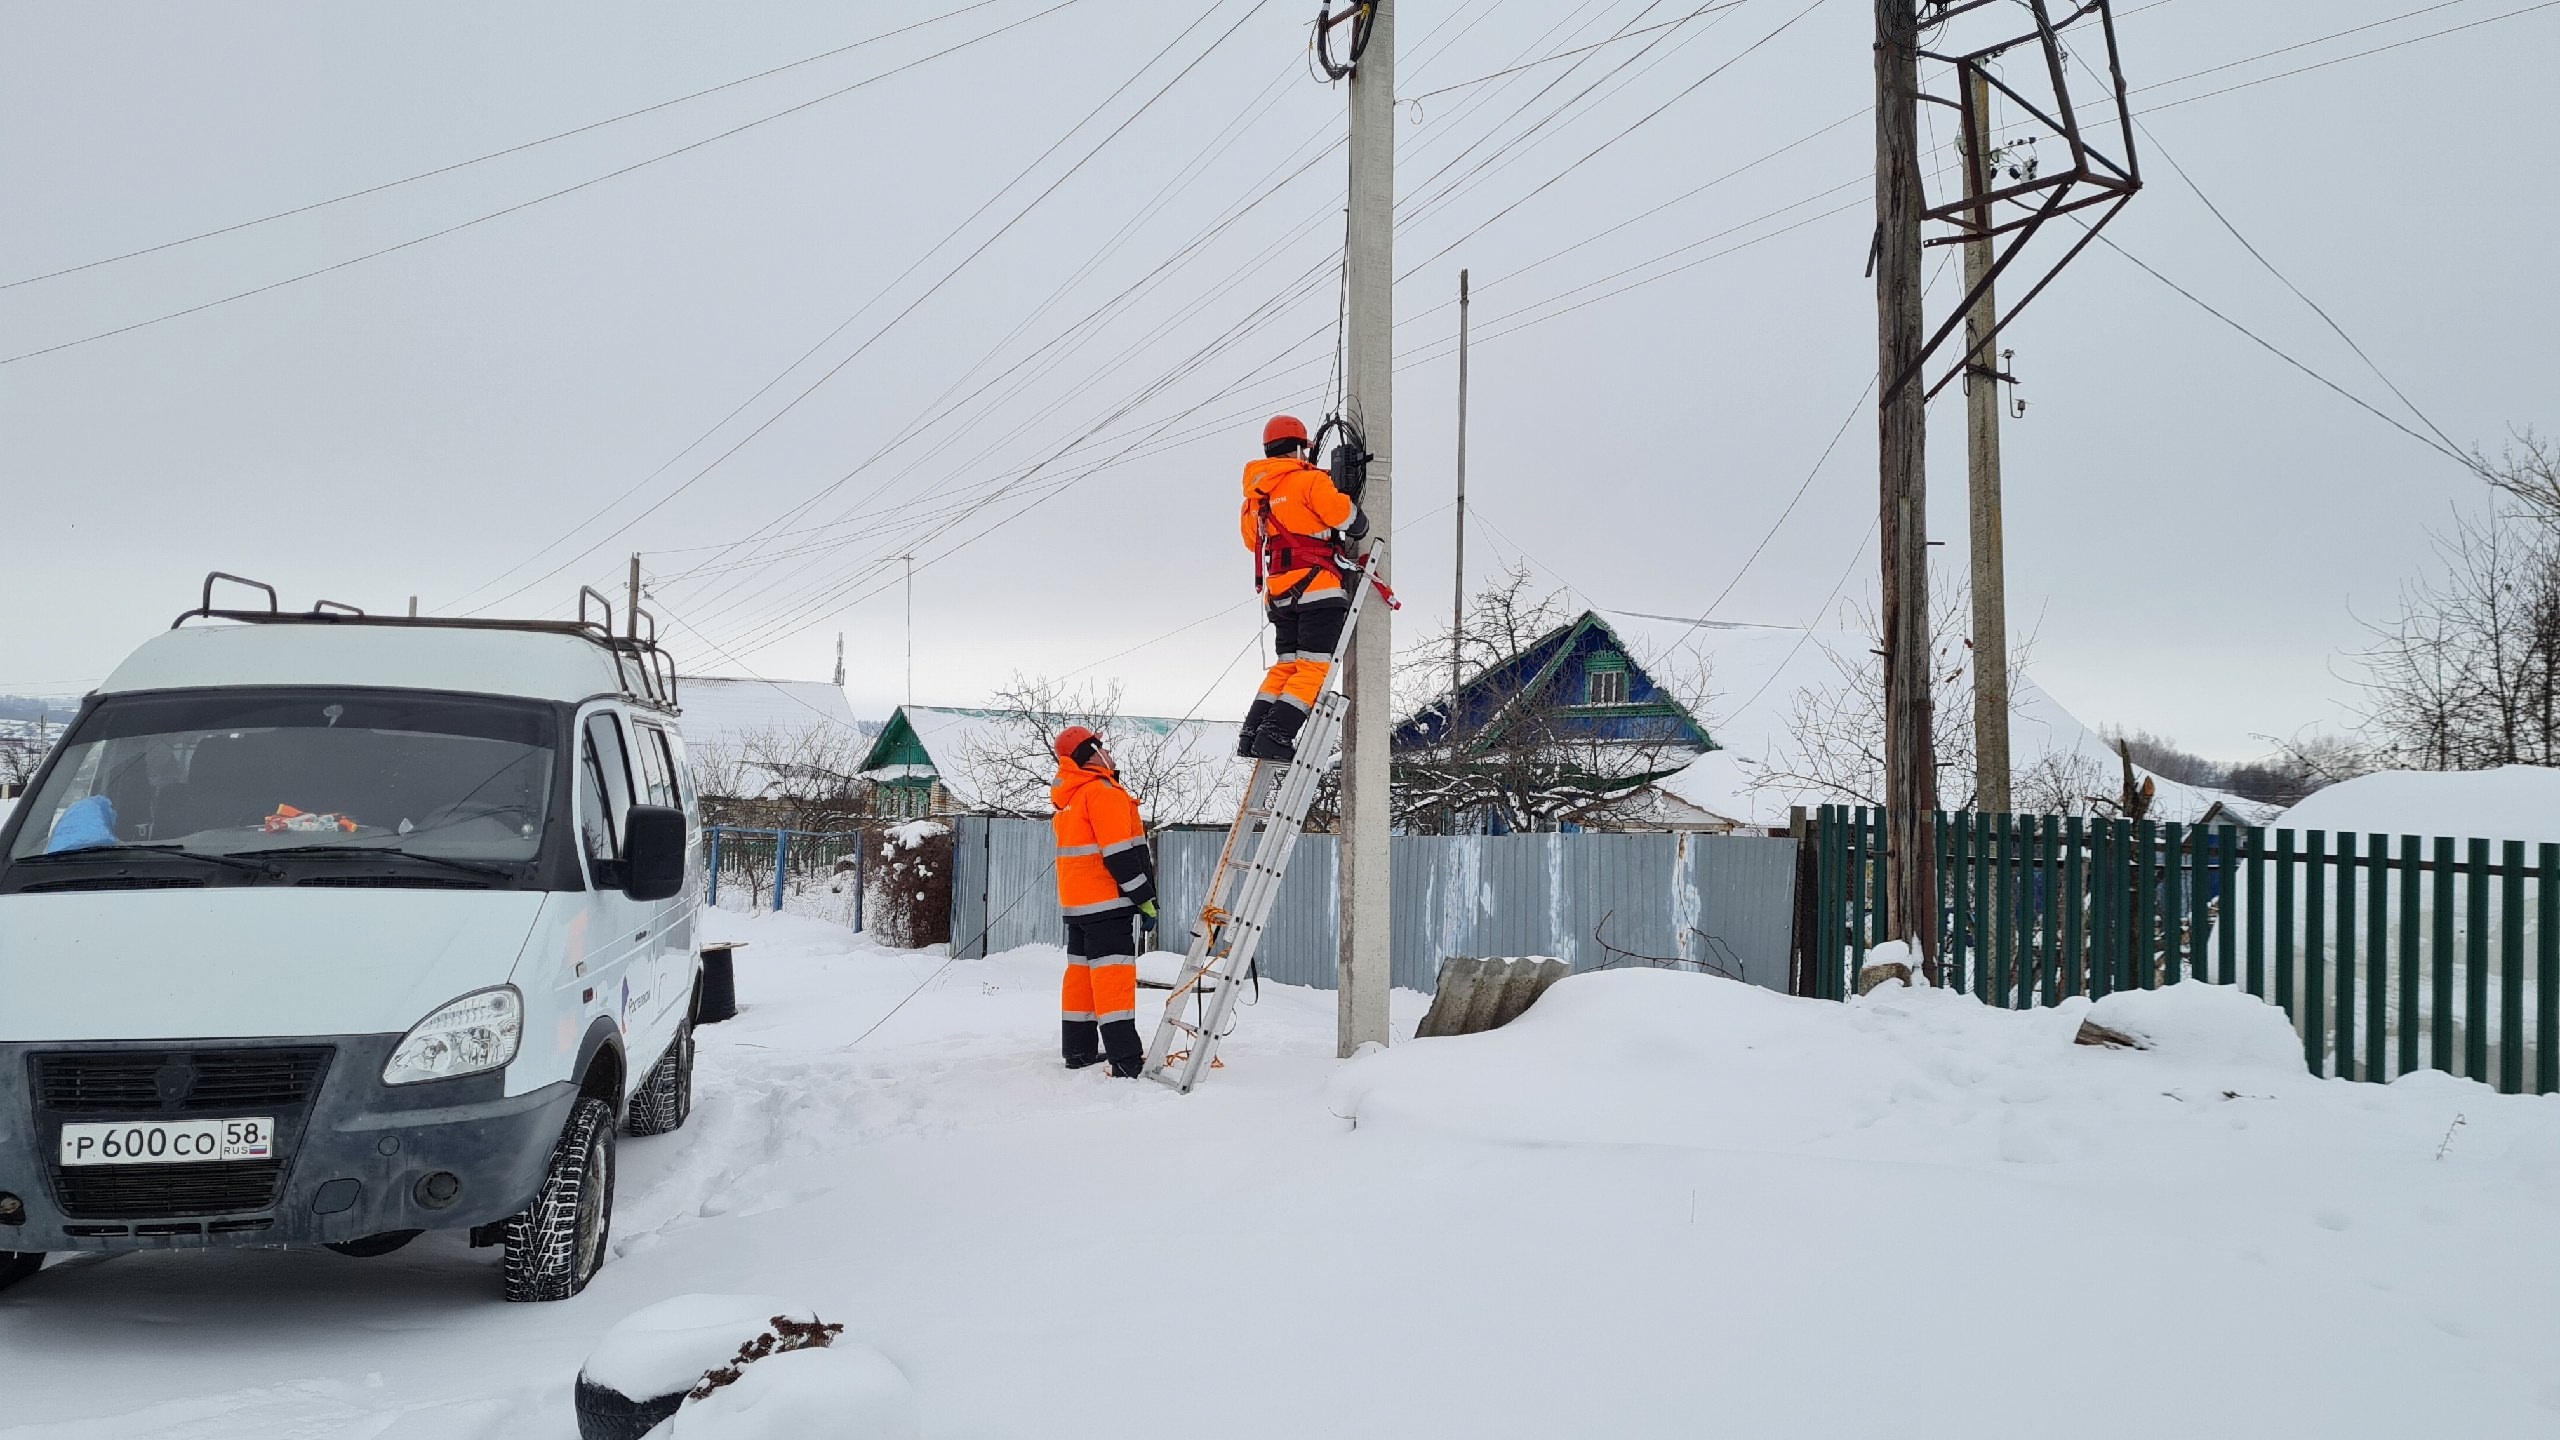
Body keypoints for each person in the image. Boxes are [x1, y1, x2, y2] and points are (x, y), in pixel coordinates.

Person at [1236, 415, 1367, 762]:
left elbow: (1253, 542)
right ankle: (1276, 734)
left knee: (1286, 665)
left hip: (1279, 597)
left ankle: (1252, 733)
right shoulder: (1309, 482)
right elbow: (1350, 521)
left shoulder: (1254, 498)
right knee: (1312, 667)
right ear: (1298, 448)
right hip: (1318, 591)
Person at [1049, 725, 1158, 1077]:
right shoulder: (1102, 793)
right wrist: (1144, 898)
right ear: (1090, 753)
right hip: (1107, 904)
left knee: (1081, 978)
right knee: (1113, 979)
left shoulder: (1070, 799)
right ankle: (1125, 1060)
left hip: (1078, 906)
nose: (1107, 751)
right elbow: (1119, 854)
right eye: (1100, 746)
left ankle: (1078, 1051)